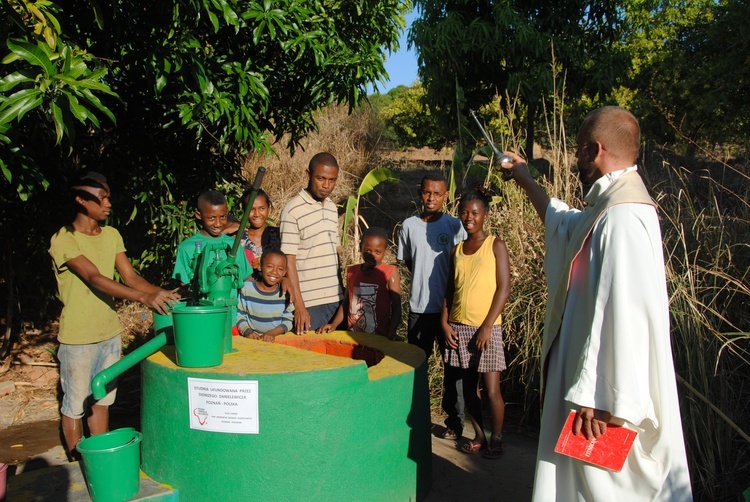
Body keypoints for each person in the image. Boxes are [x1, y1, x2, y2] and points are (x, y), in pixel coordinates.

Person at [501, 106, 692, 500]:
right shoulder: (607, 208)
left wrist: (603, 396)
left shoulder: (624, 217)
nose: (575, 161)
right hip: (588, 386)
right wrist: (524, 178)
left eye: (578, 152)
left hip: (601, 404)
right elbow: (564, 222)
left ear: (595, 150)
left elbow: (626, 312)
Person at [49, 172, 181, 458]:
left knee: (102, 401)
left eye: (109, 196)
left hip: (109, 333)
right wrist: (144, 297)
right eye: (101, 197)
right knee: (74, 405)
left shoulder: (111, 235)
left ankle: (101, 457)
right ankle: (76, 461)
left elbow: (131, 277)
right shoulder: (64, 239)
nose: (108, 203)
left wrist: (161, 293)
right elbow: (94, 277)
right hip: (78, 337)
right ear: (80, 200)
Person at [441, 187, 510, 459]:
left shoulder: (496, 245)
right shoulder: (456, 250)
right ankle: (479, 435)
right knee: (469, 390)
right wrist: (445, 324)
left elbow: (503, 289)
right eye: (464, 212)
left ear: (485, 215)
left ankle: (497, 437)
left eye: (475, 213)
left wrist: (487, 326)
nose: (469, 217)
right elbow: (449, 291)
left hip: (487, 328)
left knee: (491, 389)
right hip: (459, 327)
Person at [397, 172, 467, 440]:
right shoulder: (409, 226)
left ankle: (454, 421)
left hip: (449, 312)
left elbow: (462, 264)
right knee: (417, 367)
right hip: (419, 310)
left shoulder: (454, 226)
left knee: (453, 369)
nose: (431, 198)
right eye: (427, 192)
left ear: (446, 196)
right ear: (420, 192)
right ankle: (417, 417)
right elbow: (409, 262)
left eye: (437, 194)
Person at [280, 152, 343, 333]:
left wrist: (342, 293)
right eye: (321, 178)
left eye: (332, 180)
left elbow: (333, 254)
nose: (326, 185)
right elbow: (288, 260)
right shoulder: (292, 211)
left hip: (335, 300)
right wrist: (300, 306)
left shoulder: (331, 207)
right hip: (310, 303)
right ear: (308, 175)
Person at [317, 227, 402, 339]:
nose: (372, 255)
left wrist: (392, 332)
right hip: (353, 335)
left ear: (385, 251)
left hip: (379, 337)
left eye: (377, 252)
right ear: (361, 248)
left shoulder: (389, 272)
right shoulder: (352, 272)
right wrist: (334, 324)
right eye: (367, 250)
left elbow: (396, 306)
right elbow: (346, 302)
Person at [172, 190, 253, 288]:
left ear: (227, 213)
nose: (218, 224)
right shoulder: (186, 248)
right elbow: (184, 284)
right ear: (198, 215)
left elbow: (247, 278)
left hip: (232, 303)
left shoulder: (234, 245)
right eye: (211, 218)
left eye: (222, 217)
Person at [236, 250, 294, 342]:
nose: (274, 272)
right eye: (270, 266)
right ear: (260, 267)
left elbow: (288, 320)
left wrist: (273, 333)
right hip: (251, 340)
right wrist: (247, 332)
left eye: (280, 269)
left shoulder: (284, 292)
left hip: (276, 340)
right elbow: (240, 315)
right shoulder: (247, 289)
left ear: (284, 272)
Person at [224, 188, 281, 279]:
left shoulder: (279, 235)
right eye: (251, 210)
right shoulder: (237, 237)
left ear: (268, 208)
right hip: (246, 291)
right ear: (244, 211)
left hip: (275, 291)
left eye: (262, 208)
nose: (257, 214)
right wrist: (226, 231)